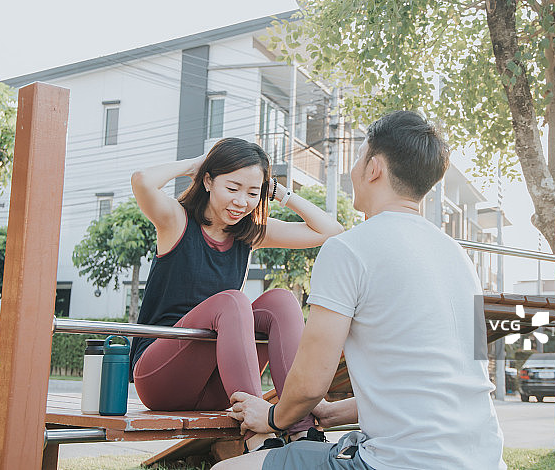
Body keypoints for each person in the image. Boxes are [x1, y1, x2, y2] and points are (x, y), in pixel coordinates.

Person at [220, 111, 506, 469]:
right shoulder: (460, 258)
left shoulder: (349, 248)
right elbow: (440, 383)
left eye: (358, 157)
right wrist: (330, 412)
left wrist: (273, 417)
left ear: (374, 169)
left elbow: (310, 381)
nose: (353, 169)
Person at [130, 137, 344, 451]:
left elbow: (329, 231)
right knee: (232, 301)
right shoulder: (176, 221)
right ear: (208, 181)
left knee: (281, 300)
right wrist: (196, 164)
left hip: (217, 386)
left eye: (252, 193)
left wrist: (280, 192)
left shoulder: (249, 234)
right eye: (232, 188)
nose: (242, 202)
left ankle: (302, 431)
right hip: (160, 378)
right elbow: (142, 181)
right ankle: (258, 437)